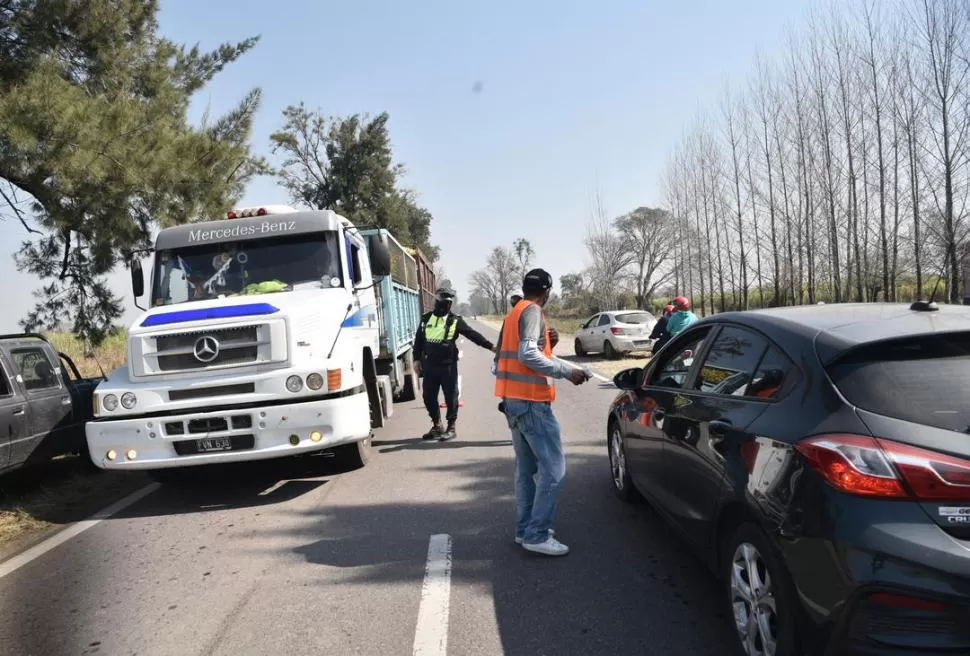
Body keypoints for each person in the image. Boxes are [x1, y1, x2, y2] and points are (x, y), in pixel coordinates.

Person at [495, 268, 590, 556]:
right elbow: (527, 354)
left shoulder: (513, 314)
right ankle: (537, 534)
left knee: (525, 471)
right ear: (547, 291)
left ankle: (524, 530)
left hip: (513, 401)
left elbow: (501, 360)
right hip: (532, 404)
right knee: (554, 469)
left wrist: (552, 351)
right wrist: (567, 372)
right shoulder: (533, 311)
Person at [413, 281, 495, 441]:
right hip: (429, 366)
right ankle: (437, 426)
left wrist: (491, 346)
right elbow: (418, 341)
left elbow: (473, 335)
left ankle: (451, 427)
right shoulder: (426, 319)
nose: (446, 304)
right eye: (443, 300)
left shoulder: (455, 321)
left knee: (451, 397)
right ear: (437, 300)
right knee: (428, 397)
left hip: (448, 366)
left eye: (449, 301)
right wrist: (416, 359)